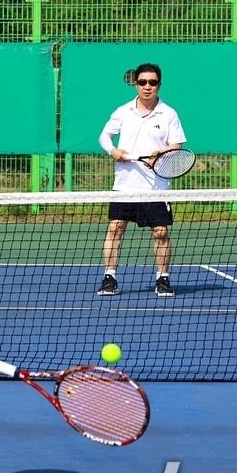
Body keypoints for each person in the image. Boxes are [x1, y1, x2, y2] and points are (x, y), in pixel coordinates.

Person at [96, 62, 186, 298]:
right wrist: (113, 151)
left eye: (152, 82)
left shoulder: (168, 114)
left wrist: (162, 152)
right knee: (115, 228)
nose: (147, 87)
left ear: (159, 84)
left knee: (160, 232)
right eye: (143, 82)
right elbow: (104, 136)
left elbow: (176, 145)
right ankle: (109, 277)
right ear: (135, 84)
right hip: (124, 185)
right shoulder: (123, 112)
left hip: (156, 187)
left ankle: (163, 279)